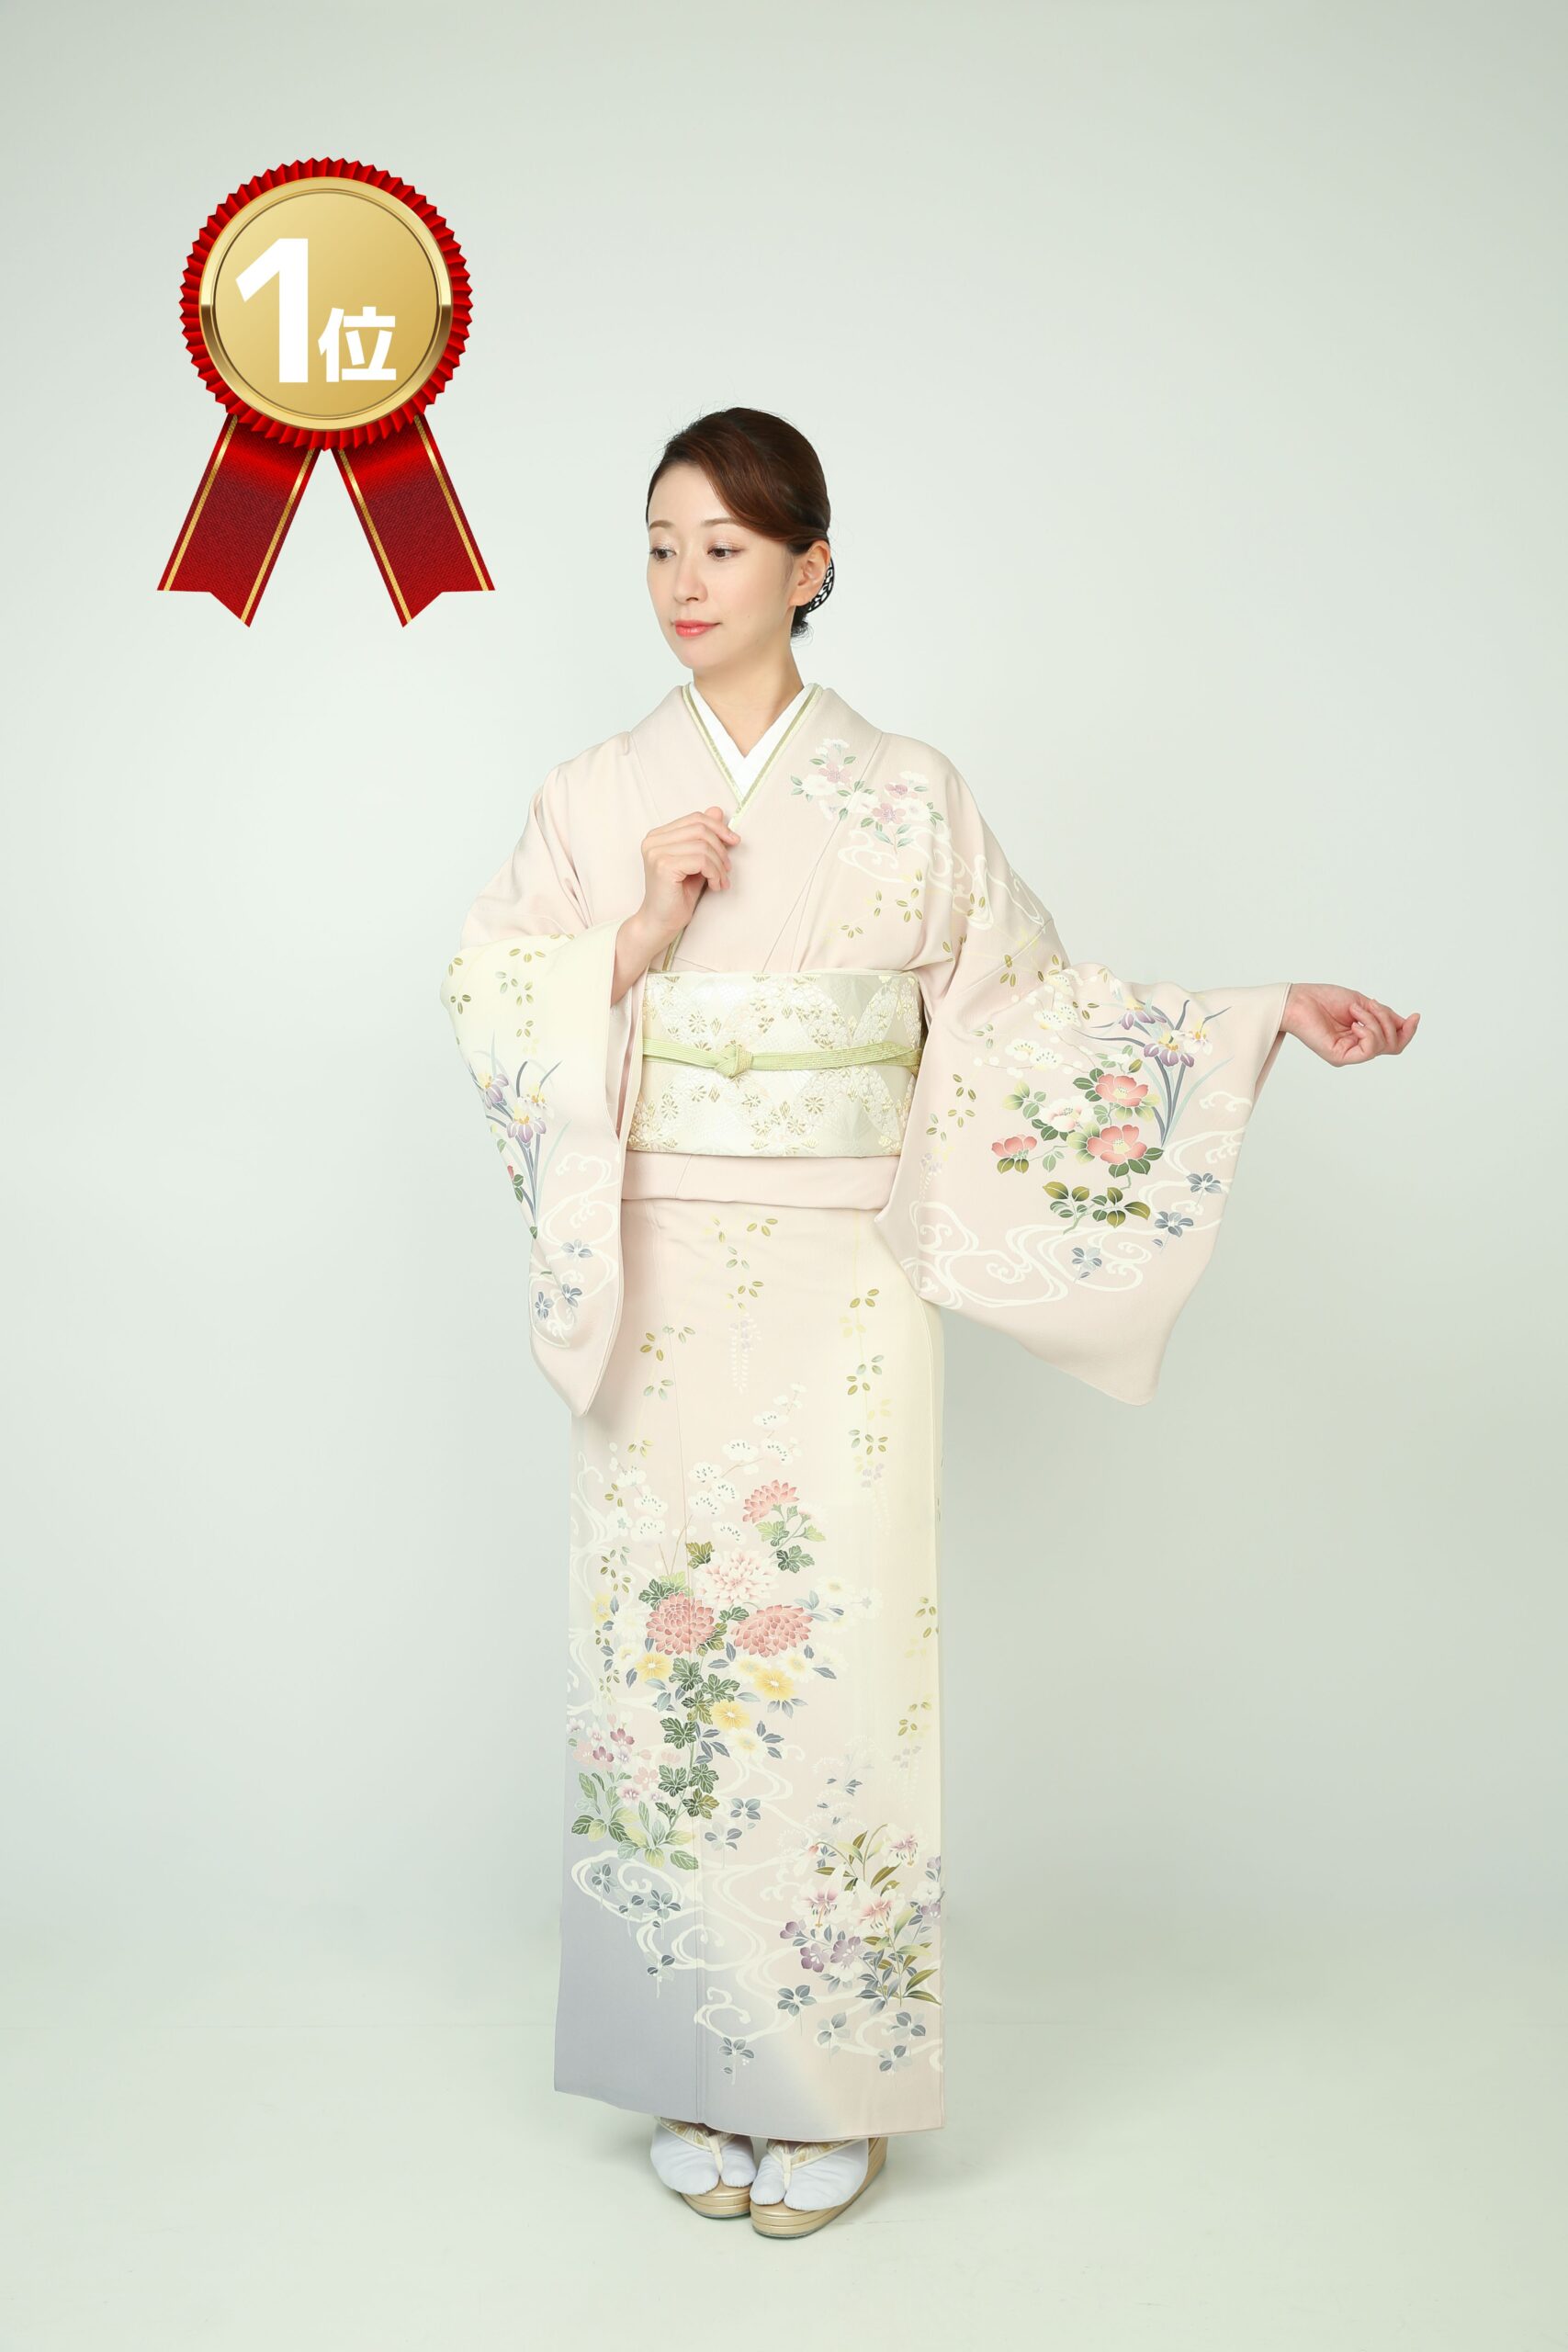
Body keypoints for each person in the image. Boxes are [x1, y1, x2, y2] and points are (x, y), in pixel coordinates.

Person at [439, 407, 1418, 2240]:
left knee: (833, 1656)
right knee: (663, 1667)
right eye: (659, 545)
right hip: (660, 1278)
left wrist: (1255, 1012)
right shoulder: (591, 796)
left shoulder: (909, 792)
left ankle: (823, 2082)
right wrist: (633, 937)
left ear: (807, 565)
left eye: (725, 546)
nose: (683, 581)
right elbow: (490, 995)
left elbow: (1023, 1017)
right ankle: (686, 2057)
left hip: (840, 1289)